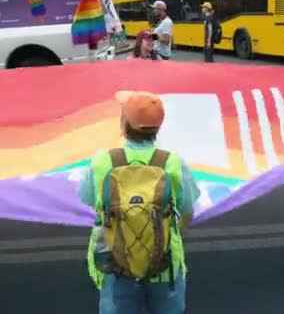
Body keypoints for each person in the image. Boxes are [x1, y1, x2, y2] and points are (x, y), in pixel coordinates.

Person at [78, 90, 200, 314]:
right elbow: (188, 213)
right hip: (164, 264)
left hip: (114, 262)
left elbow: (87, 199)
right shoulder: (172, 163)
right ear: (158, 128)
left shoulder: (102, 162)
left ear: (124, 123)